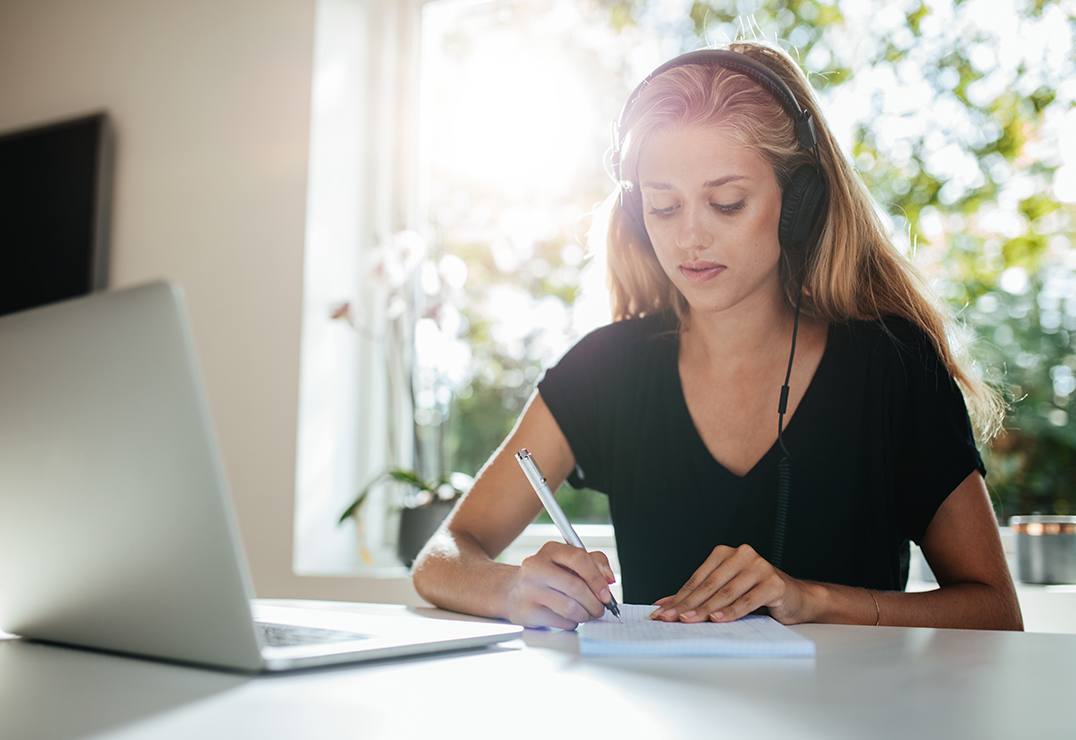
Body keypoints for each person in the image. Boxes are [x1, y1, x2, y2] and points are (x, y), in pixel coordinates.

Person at [411, 40, 1023, 632]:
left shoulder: (891, 365)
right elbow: (443, 557)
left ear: (798, 202)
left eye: (727, 203)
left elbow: (994, 611)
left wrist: (811, 599)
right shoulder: (606, 368)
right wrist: (514, 587)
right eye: (664, 207)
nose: (689, 239)